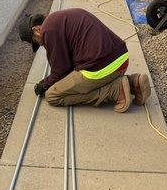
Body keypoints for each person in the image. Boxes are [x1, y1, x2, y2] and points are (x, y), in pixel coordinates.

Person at [19, 8, 151, 112]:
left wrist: (44, 85)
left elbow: (61, 71)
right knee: (70, 81)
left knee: (52, 95)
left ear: (36, 29)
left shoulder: (48, 31)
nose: (41, 45)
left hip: (102, 68)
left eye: (36, 41)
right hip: (121, 59)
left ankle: (115, 90)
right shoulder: (59, 18)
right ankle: (133, 82)